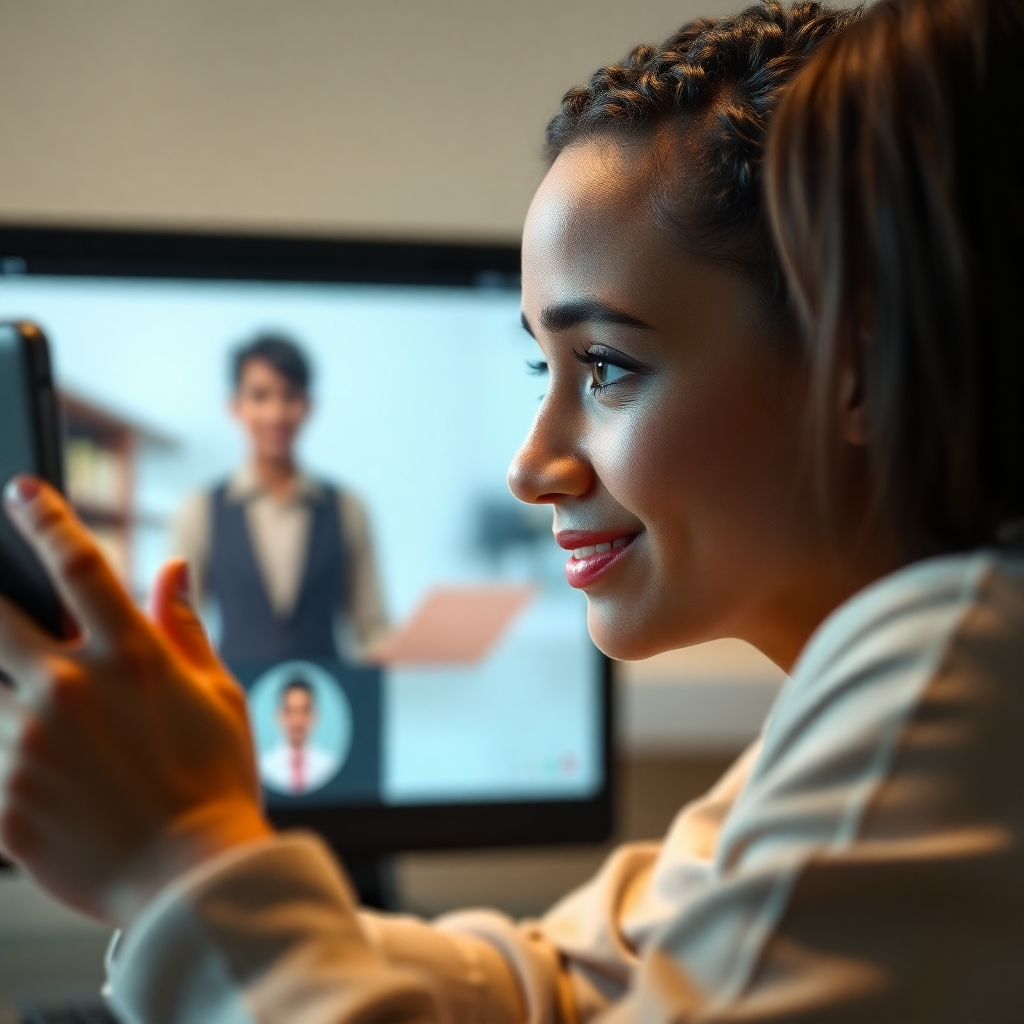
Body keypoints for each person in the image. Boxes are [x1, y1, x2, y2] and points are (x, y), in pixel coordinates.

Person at [2, 0, 1023, 1020]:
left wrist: (181, 860)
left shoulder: (958, 678)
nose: (531, 465)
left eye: (608, 366)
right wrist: (192, 852)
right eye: (545, 364)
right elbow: (566, 979)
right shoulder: (850, 720)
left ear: (861, 360)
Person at [172, 334, 388, 663]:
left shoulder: (348, 508)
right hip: (235, 704)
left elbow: (372, 627)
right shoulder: (199, 509)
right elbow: (179, 627)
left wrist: (415, 649)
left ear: (308, 406)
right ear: (236, 406)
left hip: (326, 705)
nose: (276, 413)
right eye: (260, 396)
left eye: (290, 396)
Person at [259, 677, 341, 795]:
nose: (297, 721)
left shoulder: (330, 766)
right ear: (278, 716)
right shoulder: (263, 769)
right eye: (289, 711)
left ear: (314, 715)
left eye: (303, 711)